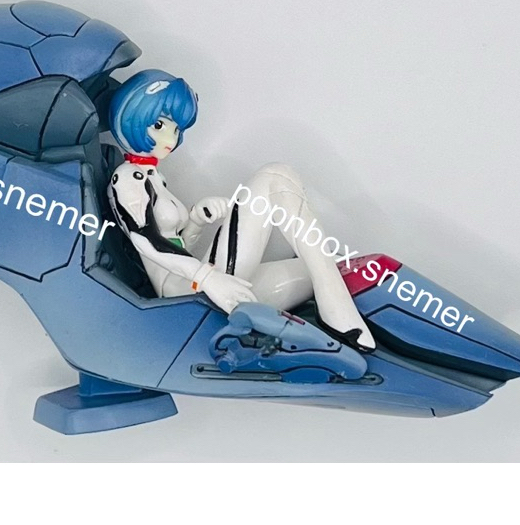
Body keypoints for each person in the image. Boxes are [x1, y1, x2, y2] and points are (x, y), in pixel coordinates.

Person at [106, 69, 375, 351]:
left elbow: (176, 243)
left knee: (319, 267)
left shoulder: (154, 177)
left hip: (195, 279)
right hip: (182, 293)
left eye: (176, 130)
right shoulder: (127, 178)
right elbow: (146, 242)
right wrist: (209, 278)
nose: (171, 140)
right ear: (131, 117)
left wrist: (196, 220)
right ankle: (337, 312)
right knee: (275, 175)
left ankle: (336, 306)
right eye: (160, 125)